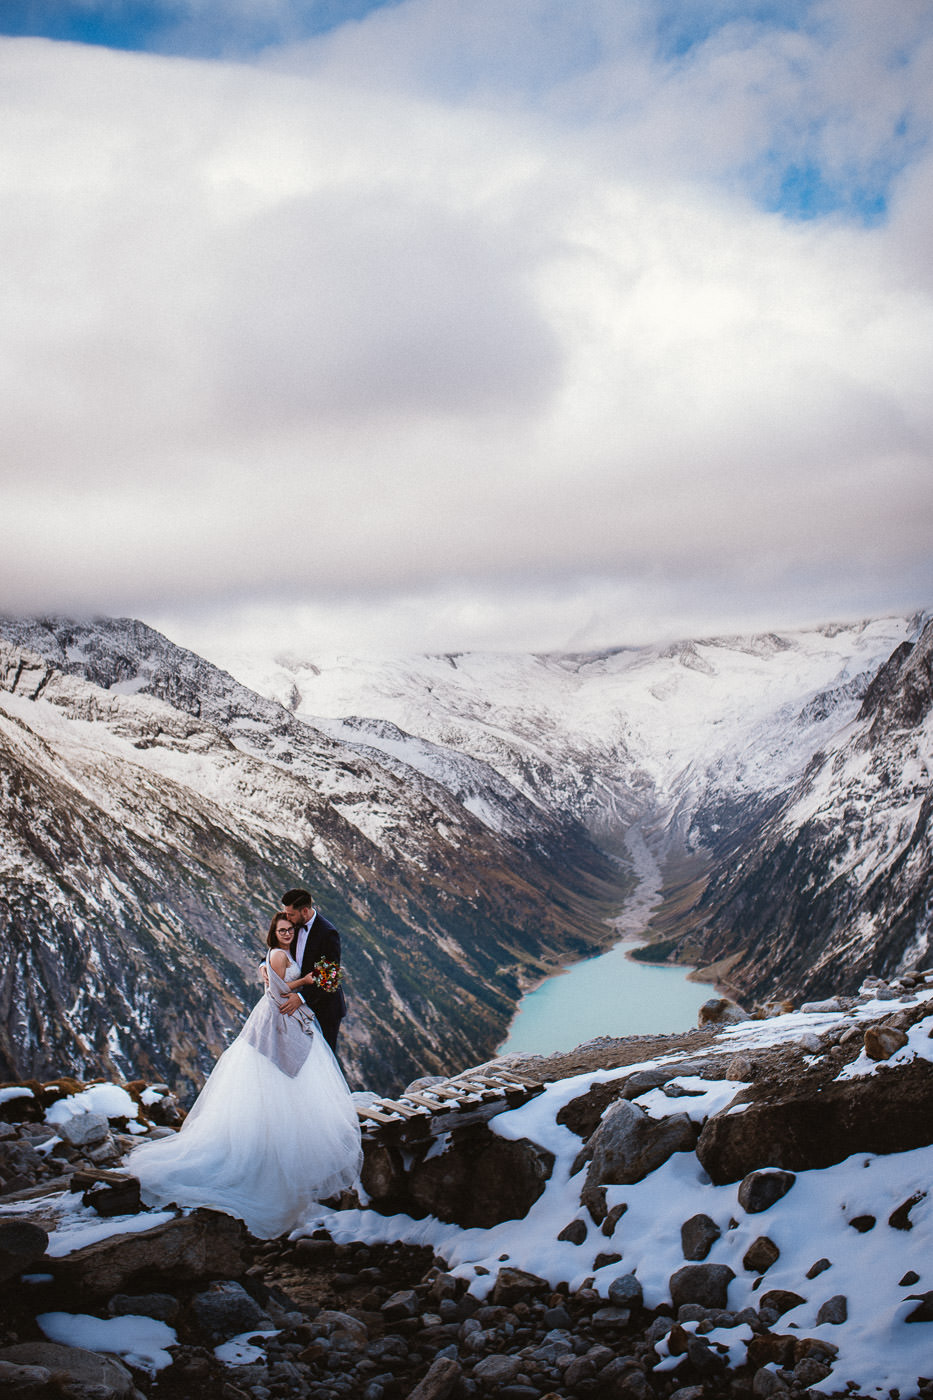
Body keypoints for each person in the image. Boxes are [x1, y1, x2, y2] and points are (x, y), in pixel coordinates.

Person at [126, 913, 362, 1240]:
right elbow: (280, 989)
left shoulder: (291, 949)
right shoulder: (281, 953)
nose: (288, 933)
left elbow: (290, 972)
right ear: (275, 932)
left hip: (286, 1014)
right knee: (283, 1078)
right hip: (280, 1014)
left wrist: (283, 973)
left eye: (290, 930)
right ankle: (274, 1157)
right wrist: (305, 983)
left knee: (281, 1081)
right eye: (282, 930)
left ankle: (276, 1144)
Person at [279, 888, 347, 1053]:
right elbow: (277, 948)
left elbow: (329, 978)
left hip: (324, 1009)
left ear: (304, 911)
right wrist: (263, 965)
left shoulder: (327, 933)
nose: (287, 918)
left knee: (322, 1059)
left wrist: (301, 998)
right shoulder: (292, 924)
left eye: (291, 914)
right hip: (299, 1009)